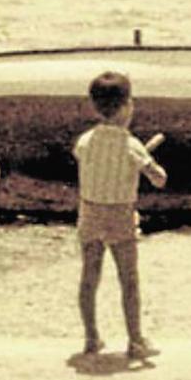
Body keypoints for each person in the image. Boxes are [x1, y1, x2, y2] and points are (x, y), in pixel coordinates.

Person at [72, 71, 168, 360]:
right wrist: (152, 168)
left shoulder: (86, 140)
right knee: (128, 279)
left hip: (89, 212)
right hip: (119, 216)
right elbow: (159, 178)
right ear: (127, 106)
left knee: (89, 277)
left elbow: (83, 158)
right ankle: (136, 341)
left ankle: (91, 338)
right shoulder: (131, 145)